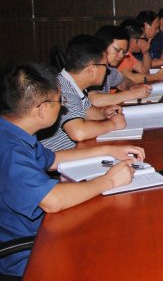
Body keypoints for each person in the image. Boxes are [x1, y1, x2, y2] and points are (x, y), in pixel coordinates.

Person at [0, 63, 144, 277]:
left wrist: (108, 150)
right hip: (32, 252)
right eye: (60, 101)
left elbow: (52, 159)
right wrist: (109, 181)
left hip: (47, 229)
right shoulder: (9, 150)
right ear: (42, 109)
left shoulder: (12, 131)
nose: (63, 107)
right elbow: (52, 200)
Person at [39, 35, 127, 152]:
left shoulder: (71, 83)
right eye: (105, 66)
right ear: (91, 69)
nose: (107, 70)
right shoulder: (62, 90)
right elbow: (78, 133)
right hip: (57, 159)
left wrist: (104, 112)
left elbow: (87, 110)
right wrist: (113, 124)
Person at [87, 25, 152, 107]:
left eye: (123, 52)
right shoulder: (91, 67)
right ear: (102, 46)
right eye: (117, 50)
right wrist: (133, 94)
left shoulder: (109, 68)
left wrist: (132, 86)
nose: (121, 56)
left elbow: (122, 81)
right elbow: (93, 100)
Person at [118, 19, 163, 85]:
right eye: (143, 38)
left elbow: (144, 70)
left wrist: (145, 52)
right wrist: (157, 76)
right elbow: (132, 79)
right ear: (134, 40)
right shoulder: (120, 55)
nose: (145, 41)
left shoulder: (129, 54)